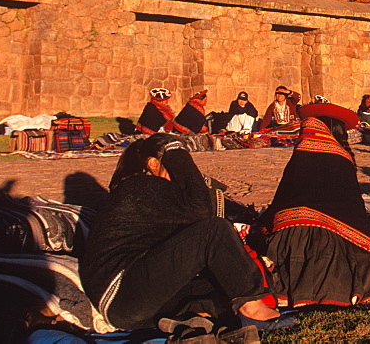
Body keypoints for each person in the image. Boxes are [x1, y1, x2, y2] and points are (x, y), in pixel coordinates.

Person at [79, 135, 282, 331]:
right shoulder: (138, 187)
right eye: (174, 164)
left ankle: (190, 318)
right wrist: (176, 152)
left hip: (135, 305)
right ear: (153, 164)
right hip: (120, 292)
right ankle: (253, 309)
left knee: (222, 281)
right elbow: (202, 212)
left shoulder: (146, 192)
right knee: (213, 231)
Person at [260, 103, 370, 307]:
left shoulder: (299, 157)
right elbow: (352, 209)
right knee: (362, 262)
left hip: (287, 239)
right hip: (331, 239)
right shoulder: (342, 160)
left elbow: (280, 204)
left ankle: (287, 290)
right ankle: (330, 289)